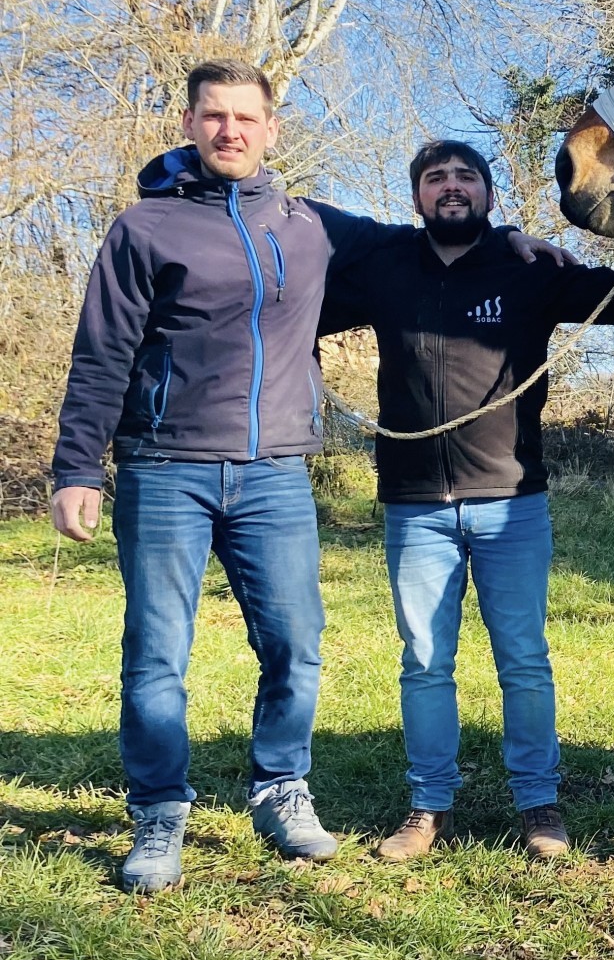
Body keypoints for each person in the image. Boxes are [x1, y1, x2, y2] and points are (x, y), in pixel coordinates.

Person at [51, 59, 569, 894]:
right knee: (156, 653)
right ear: (189, 123)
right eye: (214, 116)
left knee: (296, 647)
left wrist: (510, 249)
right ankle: (158, 814)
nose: (230, 130)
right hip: (162, 467)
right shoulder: (143, 230)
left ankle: (280, 787)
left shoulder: (312, 227)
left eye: (245, 117)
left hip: (276, 474)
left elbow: (424, 247)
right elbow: (102, 351)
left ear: (270, 129)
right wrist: (77, 465)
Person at [319, 139, 614, 861]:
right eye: (435, 179)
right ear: (417, 197)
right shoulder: (386, 267)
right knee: (425, 661)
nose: (450, 188)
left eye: (465, 177)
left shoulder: (529, 269)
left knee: (523, 658)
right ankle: (427, 808)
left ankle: (538, 805)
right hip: (413, 504)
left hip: (512, 502)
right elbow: (296, 305)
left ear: (487, 194)